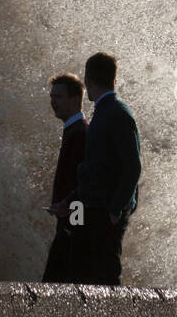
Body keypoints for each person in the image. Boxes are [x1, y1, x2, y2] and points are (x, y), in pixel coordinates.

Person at [51, 52, 141, 286]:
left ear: (88, 80)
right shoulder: (104, 114)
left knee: (103, 277)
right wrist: (69, 202)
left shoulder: (110, 115)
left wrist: (115, 210)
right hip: (92, 211)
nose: (54, 102)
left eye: (58, 96)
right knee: (89, 277)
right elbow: (93, 173)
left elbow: (132, 167)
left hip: (102, 213)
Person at [41, 73, 88, 283]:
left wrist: (72, 226)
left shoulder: (80, 133)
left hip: (73, 228)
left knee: (53, 286)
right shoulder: (74, 130)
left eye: (58, 97)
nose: (53, 102)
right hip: (69, 225)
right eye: (52, 96)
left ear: (76, 100)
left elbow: (84, 183)